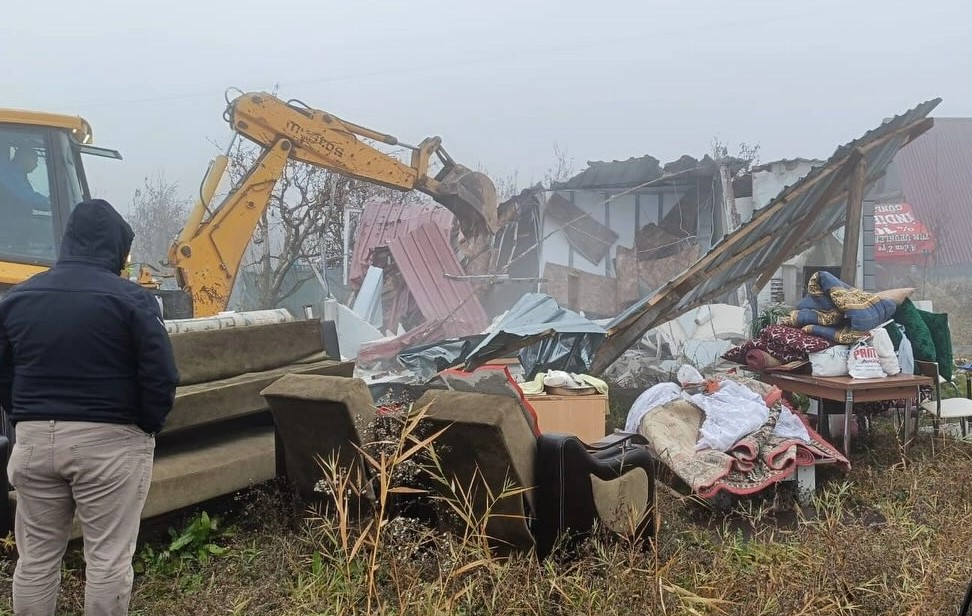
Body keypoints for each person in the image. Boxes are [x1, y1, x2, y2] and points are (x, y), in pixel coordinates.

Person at [0, 199, 179, 615]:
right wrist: (146, 426)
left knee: (36, 559)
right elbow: (160, 374)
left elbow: (3, 371)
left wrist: (25, 414)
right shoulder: (131, 300)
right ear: (117, 249)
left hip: (32, 443)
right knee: (107, 561)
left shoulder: (17, 299)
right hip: (109, 444)